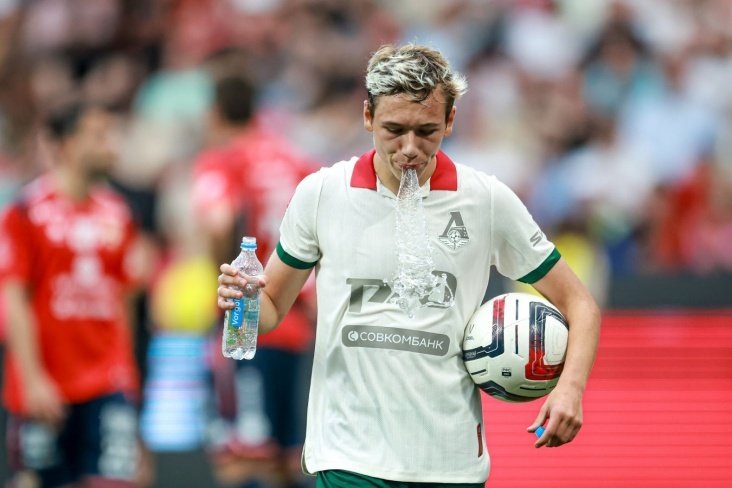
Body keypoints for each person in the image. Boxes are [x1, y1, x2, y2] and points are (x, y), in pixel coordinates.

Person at [216, 44, 601, 487]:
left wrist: (570, 389)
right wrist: (241, 300)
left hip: (450, 462)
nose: (410, 148)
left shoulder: (486, 200)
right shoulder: (322, 194)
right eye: (394, 130)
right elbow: (269, 309)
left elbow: (581, 304)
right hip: (348, 456)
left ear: (450, 121)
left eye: (427, 131)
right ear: (368, 116)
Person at [0, 102, 149, 487]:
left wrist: (128, 382)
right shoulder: (26, 211)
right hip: (46, 386)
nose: (109, 145)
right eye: (97, 136)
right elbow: (15, 300)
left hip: (108, 382)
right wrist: (32, 379)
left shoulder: (120, 214)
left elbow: (124, 304)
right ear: (66, 144)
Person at [192, 75, 316, 487]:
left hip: (246, 322)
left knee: (241, 456)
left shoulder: (223, 160)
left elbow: (218, 219)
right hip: (295, 321)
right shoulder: (294, 159)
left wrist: (223, 277)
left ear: (215, 113)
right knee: (287, 454)